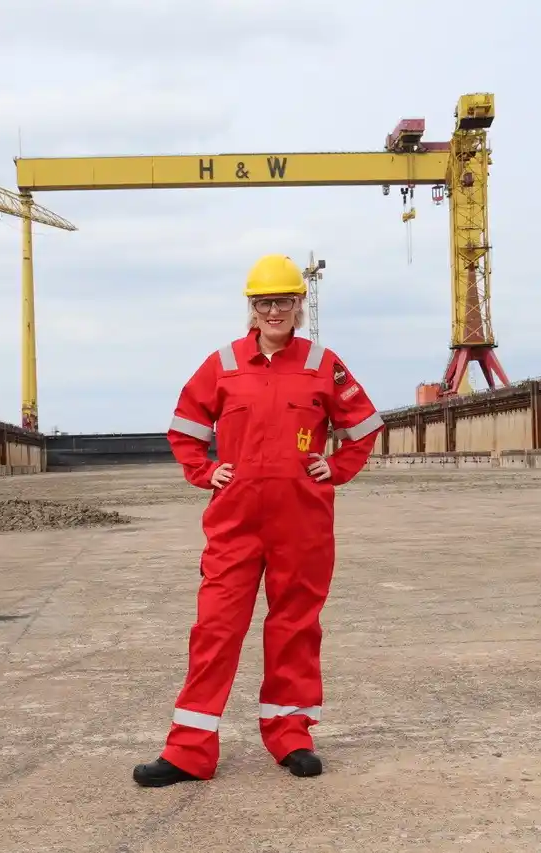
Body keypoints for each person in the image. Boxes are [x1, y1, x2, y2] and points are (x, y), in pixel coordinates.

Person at [133, 253, 385, 787]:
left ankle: (290, 734)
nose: (274, 311)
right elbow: (184, 426)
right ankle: (190, 750)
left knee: (295, 627)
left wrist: (334, 467)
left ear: (300, 305)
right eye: (264, 302)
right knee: (215, 629)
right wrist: (205, 472)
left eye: (284, 301)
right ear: (251, 308)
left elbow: (363, 427)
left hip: (303, 523)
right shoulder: (222, 364)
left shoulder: (323, 364)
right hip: (235, 523)